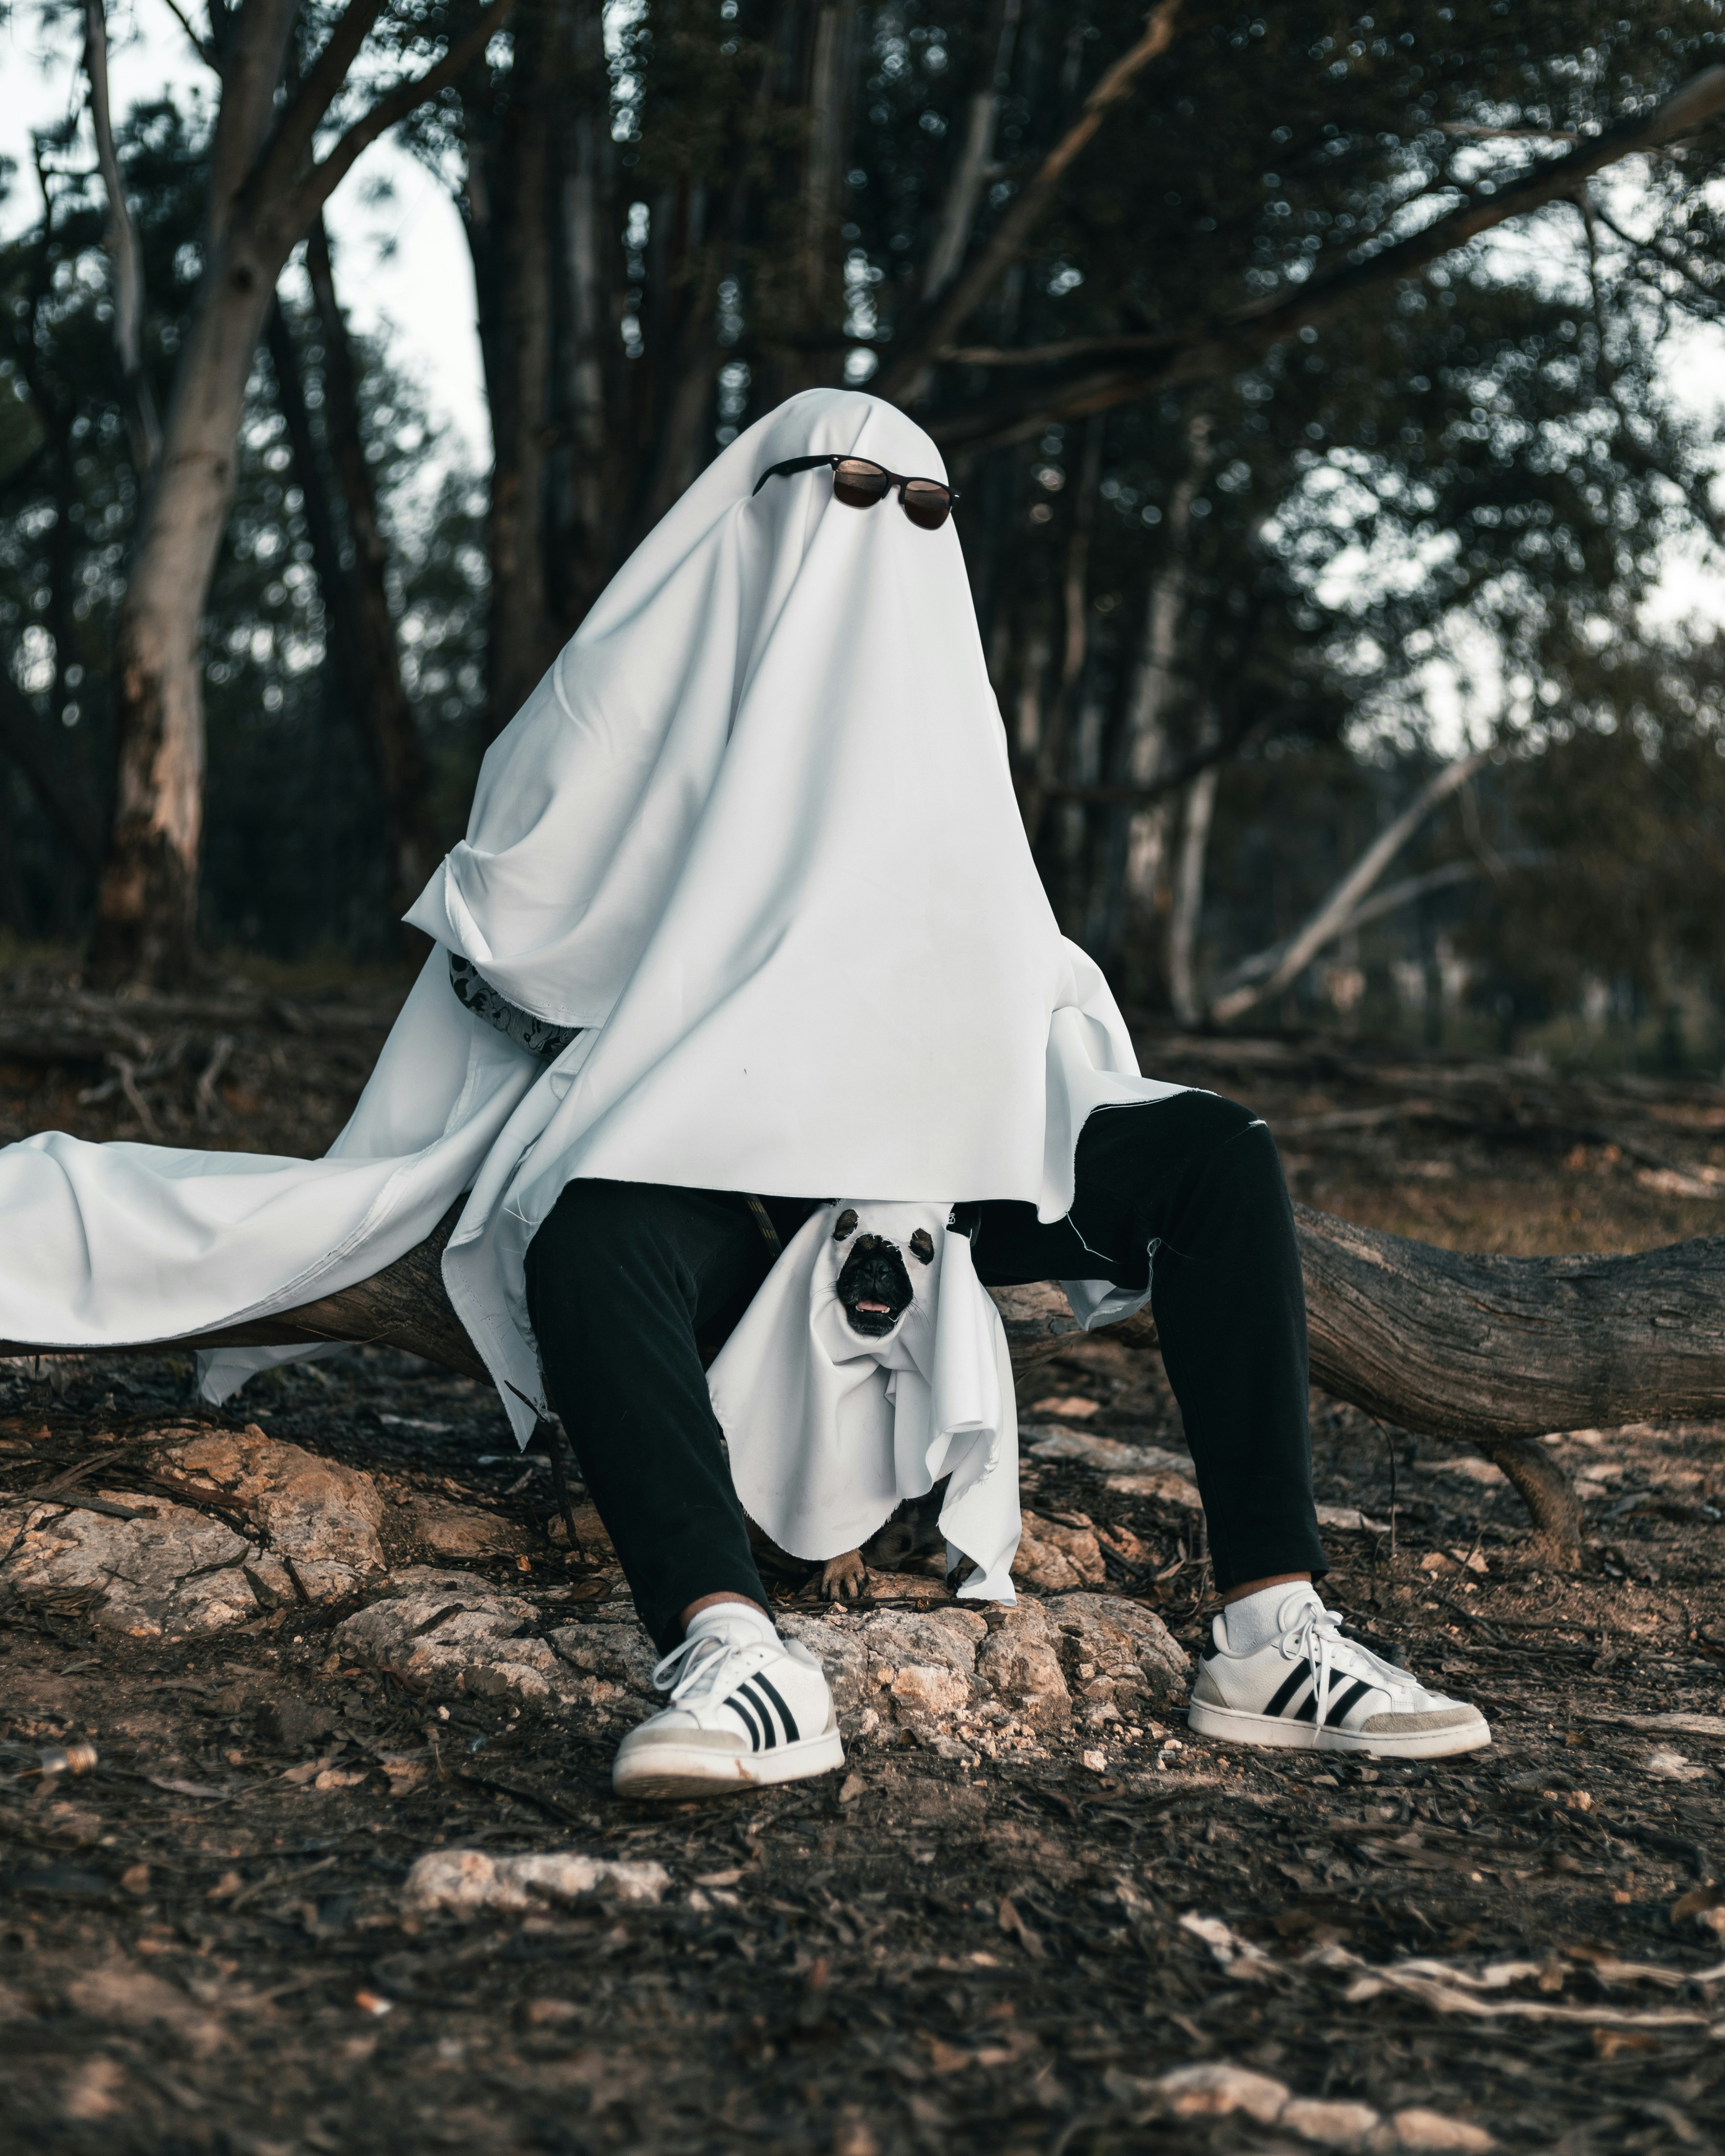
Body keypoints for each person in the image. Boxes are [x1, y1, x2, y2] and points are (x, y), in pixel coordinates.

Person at [0, 390, 1486, 1801]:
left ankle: (1272, 1630)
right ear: (760, 514)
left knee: (1217, 1156)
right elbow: (514, 942)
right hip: (715, 1172)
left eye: (924, 509)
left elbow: (1013, 971)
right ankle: (728, 1649)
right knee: (586, 1241)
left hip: (937, 1164)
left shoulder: (934, 718)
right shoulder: (632, 710)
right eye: (853, 495)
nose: (884, 537)